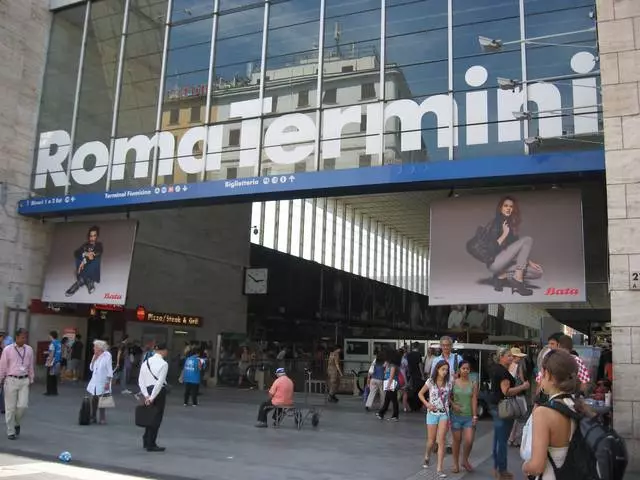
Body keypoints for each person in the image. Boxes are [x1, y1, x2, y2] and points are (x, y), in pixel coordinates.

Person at [522, 349, 591, 479]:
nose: (540, 377)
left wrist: (525, 466)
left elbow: (537, 466)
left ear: (548, 375)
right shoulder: (580, 406)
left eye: (541, 373)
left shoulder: (543, 413)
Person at [484, 196, 544, 296]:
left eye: (511, 207)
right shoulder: (496, 223)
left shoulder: (509, 224)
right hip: (494, 262)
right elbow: (490, 249)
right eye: (506, 206)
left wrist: (529, 262)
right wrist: (504, 235)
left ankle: (501, 276)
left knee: (538, 272)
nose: (508, 208)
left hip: (505, 263)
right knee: (528, 239)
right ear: (500, 208)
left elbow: (518, 249)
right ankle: (518, 280)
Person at [490, 347, 530, 480]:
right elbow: (506, 391)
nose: (511, 358)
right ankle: (502, 471)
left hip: (497, 406)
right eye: (508, 356)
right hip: (504, 407)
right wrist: (523, 387)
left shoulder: (496, 368)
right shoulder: (503, 372)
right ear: (501, 357)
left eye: (511, 356)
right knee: (501, 441)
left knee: (498, 440)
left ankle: (497, 468)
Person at [419, 360, 452, 477]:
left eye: (446, 370)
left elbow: (448, 398)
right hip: (432, 413)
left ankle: (439, 469)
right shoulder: (431, 381)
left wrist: (453, 405)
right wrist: (427, 404)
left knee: (441, 440)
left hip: (444, 413)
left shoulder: (449, 382)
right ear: (437, 369)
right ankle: (427, 455)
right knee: (431, 441)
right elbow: (420, 393)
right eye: (443, 369)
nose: (445, 372)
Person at [0, 329, 35, 440]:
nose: (24, 339)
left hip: (24, 380)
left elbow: (31, 365)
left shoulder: (29, 350)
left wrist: (31, 378)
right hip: (11, 380)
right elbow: (2, 366)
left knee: (22, 405)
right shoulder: (8, 350)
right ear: (17, 337)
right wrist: (1, 379)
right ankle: (11, 431)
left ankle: (16, 422)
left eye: (25, 337)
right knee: (10, 408)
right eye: (22, 337)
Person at [138, 343, 169, 452]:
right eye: (166, 350)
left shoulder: (146, 362)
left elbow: (141, 380)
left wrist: (146, 395)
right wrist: (152, 397)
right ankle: (151, 443)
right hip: (158, 393)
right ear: (162, 351)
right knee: (156, 417)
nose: (167, 352)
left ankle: (146, 440)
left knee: (148, 416)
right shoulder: (164, 364)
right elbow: (160, 383)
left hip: (147, 390)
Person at [450, 360, 478, 474]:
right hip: (456, 416)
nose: (466, 370)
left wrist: (475, 415)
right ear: (459, 370)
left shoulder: (473, 383)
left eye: (467, 369)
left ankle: (464, 460)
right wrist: (453, 404)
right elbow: (446, 396)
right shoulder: (453, 382)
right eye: (463, 368)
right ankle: (455, 464)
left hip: (468, 417)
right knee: (457, 441)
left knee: (469, 440)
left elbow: (474, 399)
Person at [65, 225, 103, 297]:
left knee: (94, 258)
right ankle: (87, 281)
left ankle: (80, 282)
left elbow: (98, 252)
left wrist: (84, 261)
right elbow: (76, 253)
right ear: (89, 236)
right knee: (79, 257)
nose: (92, 238)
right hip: (84, 268)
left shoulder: (99, 245)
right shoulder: (85, 245)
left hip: (93, 271)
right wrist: (85, 254)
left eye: (94, 236)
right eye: (91, 236)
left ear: (97, 236)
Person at [86, 340, 113, 425]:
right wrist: (94, 359)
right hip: (95, 380)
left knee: (103, 399)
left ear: (100, 348)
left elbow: (109, 369)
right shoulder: (95, 355)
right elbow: (91, 368)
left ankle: (102, 418)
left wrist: (108, 382)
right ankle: (93, 416)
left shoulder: (107, 355)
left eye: (95, 347)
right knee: (93, 398)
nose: (93, 348)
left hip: (103, 380)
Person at [508, 347, 528, 447]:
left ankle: (510, 437)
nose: (520, 359)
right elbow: (523, 379)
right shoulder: (518, 366)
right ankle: (516, 439)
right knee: (522, 418)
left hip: (509, 395)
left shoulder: (507, 366)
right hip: (519, 394)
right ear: (514, 357)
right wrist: (525, 384)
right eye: (518, 357)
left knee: (512, 417)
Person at [376, 349, 400, 421]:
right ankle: (382, 413)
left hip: (391, 383)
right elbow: (385, 370)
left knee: (393, 400)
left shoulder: (393, 366)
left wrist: (389, 385)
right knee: (388, 399)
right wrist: (386, 365)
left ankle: (393, 415)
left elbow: (391, 376)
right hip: (388, 383)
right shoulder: (389, 365)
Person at [44, 330, 61, 396]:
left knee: (50, 377)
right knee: (54, 377)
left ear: (51, 336)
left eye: (49, 335)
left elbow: (52, 353)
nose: (48, 336)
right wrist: (47, 352)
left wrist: (49, 362)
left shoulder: (52, 343)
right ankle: (54, 391)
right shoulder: (58, 343)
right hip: (58, 361)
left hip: (52, 362)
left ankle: (49, 391)